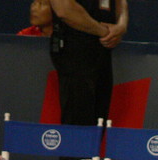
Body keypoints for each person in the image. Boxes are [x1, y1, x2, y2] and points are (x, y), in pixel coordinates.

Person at [49, 0, 129, 128]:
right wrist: (104, 32)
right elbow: (64, 9)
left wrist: (121, 25)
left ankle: (91, 147)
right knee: (78, 122)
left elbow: (121, 2)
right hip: (75, 47)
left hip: (102, 48)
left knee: (99, 121)